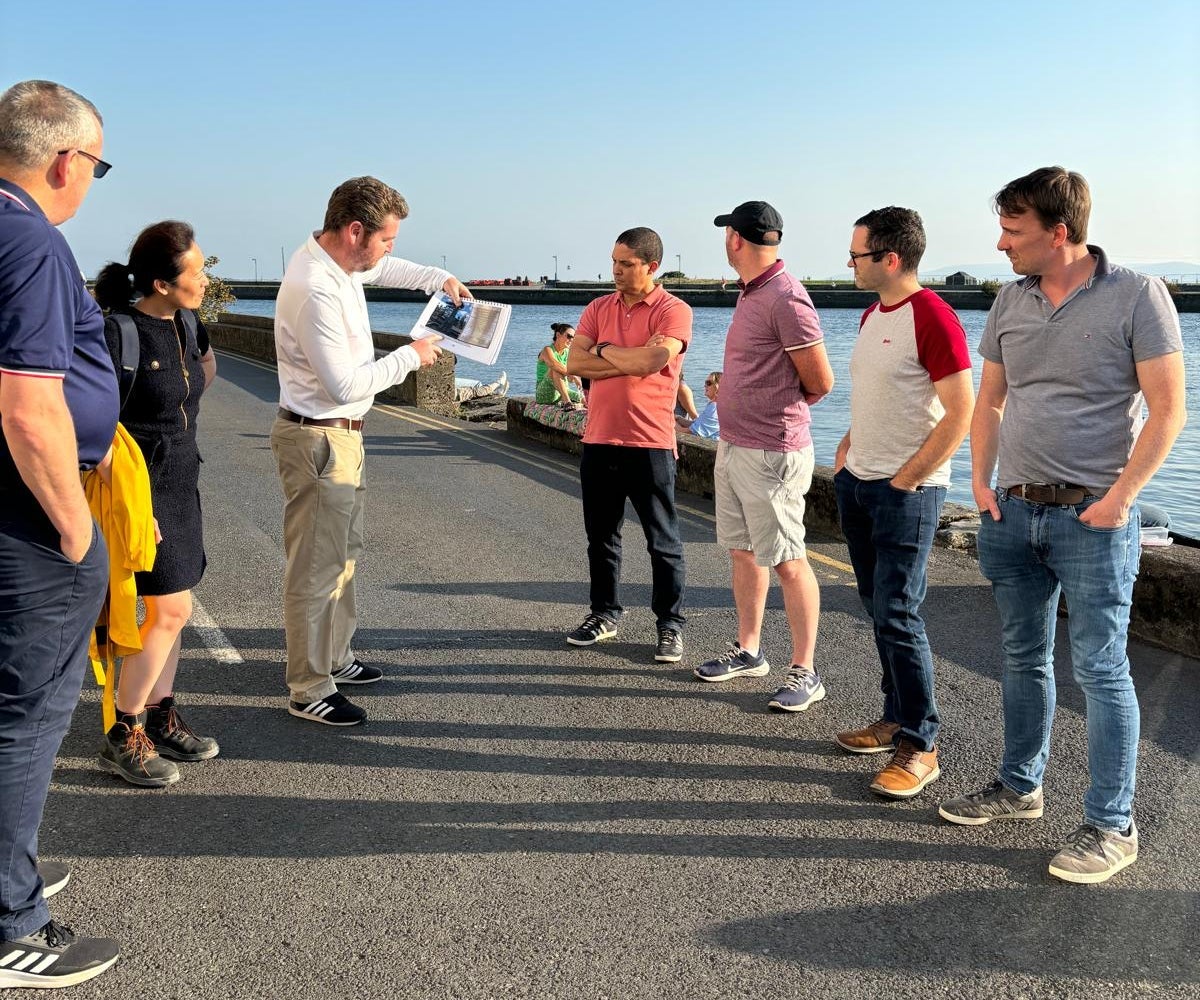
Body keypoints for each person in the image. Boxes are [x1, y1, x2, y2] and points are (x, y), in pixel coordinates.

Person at [938, 167, 1187, 884]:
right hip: (1012, 510)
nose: (1000, 244)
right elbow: (989, 400)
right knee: (1022, 657)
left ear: (1059, 232)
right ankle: (1020, 788)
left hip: (1093, 517)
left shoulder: (1137, 294)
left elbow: (1169, 410)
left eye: (1012, 231)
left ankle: (1113, 825)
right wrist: (980, 484)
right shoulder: (1009, 300)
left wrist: (1121, 499)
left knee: (1102, 669)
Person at [0, 79, 120, 988]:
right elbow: (29, 407)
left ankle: (11, 868)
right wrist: (77, 533)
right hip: (27, 516)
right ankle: (11, 921)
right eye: (97, 166)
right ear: (65, 160)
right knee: (27, 714)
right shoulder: (33, 238)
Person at [272, 176, 465, 727]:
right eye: (385, 239)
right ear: (355, 231)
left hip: (341, 435)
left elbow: (390, 269)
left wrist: (439, 278)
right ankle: (309, 687)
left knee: (343, 556)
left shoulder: (341, 263)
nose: (388, 250)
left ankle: (335, 657)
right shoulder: (316, 286)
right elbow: (343, 385)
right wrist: (411, 356)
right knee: (316, 568)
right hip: (320, 435)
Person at [833, 207, 974, 799]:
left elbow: (961, 412)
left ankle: (921, 744)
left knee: (898, 612)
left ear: (890, 258)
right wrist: (847, 450)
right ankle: (894, 718)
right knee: (876, 606)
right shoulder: (872, 314)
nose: (849, 262)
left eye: (857, 254)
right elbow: (878, 397)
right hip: (859, 482)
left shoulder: (934, 317)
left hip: (906, 491)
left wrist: (906, 480)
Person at [92, 221, 220, 787]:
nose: (205, 279)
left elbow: (205, 369)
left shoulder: (188, 323)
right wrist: (132, 507)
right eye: (197, 271)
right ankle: (124, 731)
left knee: (174, 604)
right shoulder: (118, 333)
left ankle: (160, 713)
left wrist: (178, 414)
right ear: (162, 284)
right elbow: (93, 424)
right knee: (171, 611)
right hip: (138, 491)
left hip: (182, 482)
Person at [694, 201, 835, 715]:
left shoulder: (786, 297)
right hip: (735, 444)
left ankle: (805, 671)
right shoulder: (752, 291)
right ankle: (749, 651)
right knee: (743, 552)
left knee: (789, 561)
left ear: (735, 238)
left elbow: (820, 381)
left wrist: (773, 413)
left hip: (772, 452)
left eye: (726, 234)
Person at [564, 227, 691, 663]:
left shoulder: (674, 310)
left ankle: (670, 624)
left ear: (651, 266)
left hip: (650, 442)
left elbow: (653, 360)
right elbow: (573, 363)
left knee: (663, 542)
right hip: (600, 438)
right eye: (614, 262)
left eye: (626, 264)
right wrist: (624, 357)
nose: (616, 271)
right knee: (601, 538)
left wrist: (603, 351)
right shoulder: (598, 307)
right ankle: (604, 614)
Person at [535, 323, 584, 407]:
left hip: (561, 392)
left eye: (573, 337)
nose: (571, 340)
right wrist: (572, 375)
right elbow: (553, 364)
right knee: (555, 369)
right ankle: (567, 403)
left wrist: (575, 377)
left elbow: (570, 380)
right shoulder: (547, 350)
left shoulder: (568, 353)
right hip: (544, 394)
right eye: (569, 336)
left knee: (585, 399)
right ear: (558, 335)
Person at [676, 371, 720, 439]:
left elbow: (692, 433)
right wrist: (679, 419)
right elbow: (698, 424)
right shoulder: (715, 405)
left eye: (708, 383)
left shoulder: (714, 408)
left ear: (717, 387)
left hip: (709, 445)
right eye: (705, 383)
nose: (705, 385)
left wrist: (670, 422)